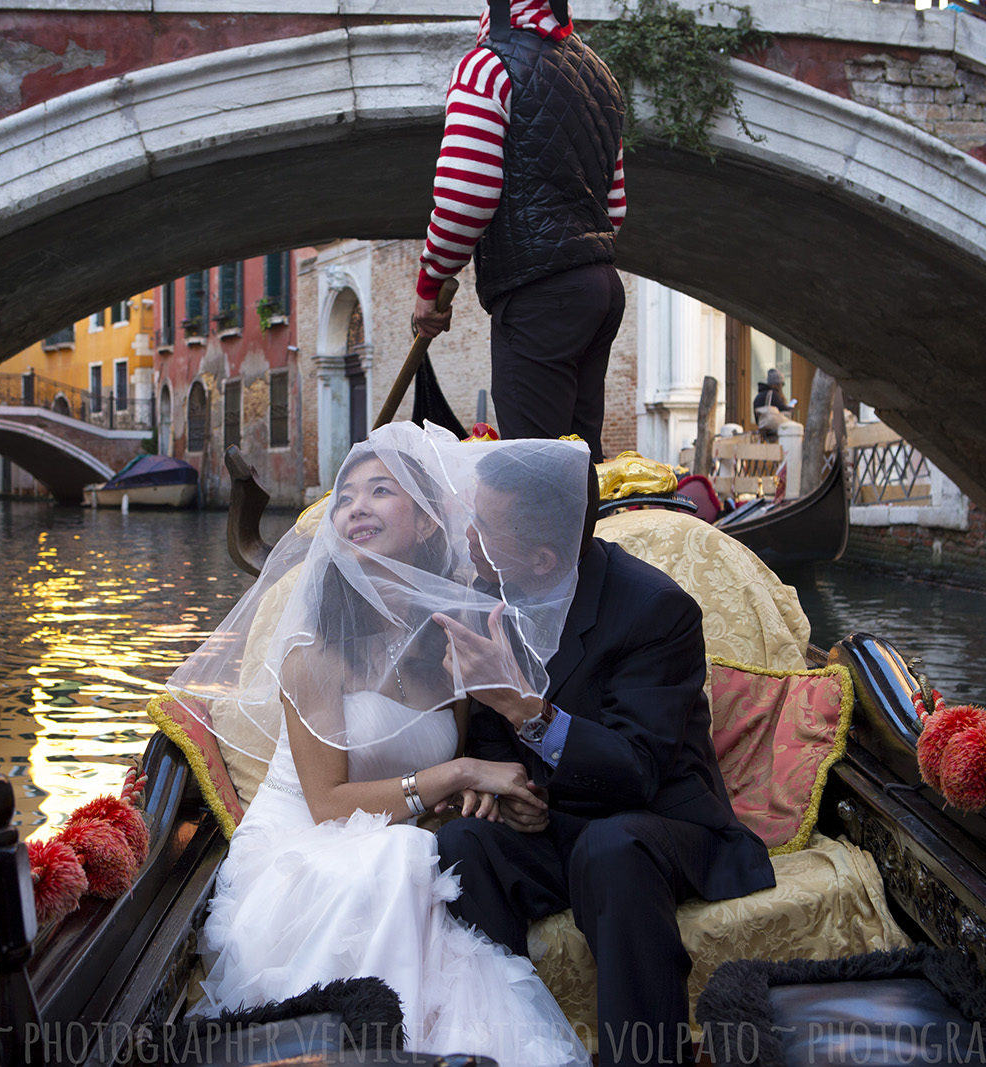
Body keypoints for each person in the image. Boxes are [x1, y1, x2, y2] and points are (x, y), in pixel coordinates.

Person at [166, 422, 594, 1067]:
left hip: (402, 835)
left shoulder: (451, 649)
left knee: (412, 856)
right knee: (399, 860)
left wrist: (492, 796)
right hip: (306, 839)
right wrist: (458, 773)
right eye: (345, 497)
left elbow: (452, 787)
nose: (355, 506)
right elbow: (329, 804)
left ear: (426, 523)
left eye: (380, 490)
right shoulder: (314, 654)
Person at [432, 448, 777, 1066]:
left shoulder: (653, 610)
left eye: (484, 527)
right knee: (460, 844)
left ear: (542, 557)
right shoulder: (487, 592)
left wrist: (526, 710)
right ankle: (515, 1045)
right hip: (554, 830)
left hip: (658, 824)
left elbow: (637, 768)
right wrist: (513, 799)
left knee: (611, 848)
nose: (468, 537)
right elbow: (487, 737)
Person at [411, 0, 626, 463]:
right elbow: (616, 206)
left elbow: (465, 196)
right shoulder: (601, 78)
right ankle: (581, 539)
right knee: (577, 460)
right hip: (599, 288)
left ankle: (552, 539)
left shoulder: (485, 68)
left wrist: (430, 282)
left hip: (538, 296)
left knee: (534, 470)